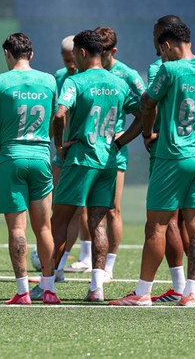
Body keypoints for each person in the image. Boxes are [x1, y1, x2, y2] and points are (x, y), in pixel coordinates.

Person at [110, 20, 195, 306]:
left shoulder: (169, 69)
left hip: (172, 156)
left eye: (159, 50)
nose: (160, 55)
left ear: (166, 46)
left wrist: (146, 133)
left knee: (156, 226)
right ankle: (189, 292)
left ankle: (142, 293)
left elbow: (147, 102)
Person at [50, 30, 141, 302]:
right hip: (108, 161)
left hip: (80, 158)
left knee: (60, 221)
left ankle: (47, 284)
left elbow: (60, 113)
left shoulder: (75, 81)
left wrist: (60, 143)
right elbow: (146, 113)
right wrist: (121, 141)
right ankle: (96, 287)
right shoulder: (119, 83)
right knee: (98, 223)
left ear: (80, 53)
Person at [0, 32, 58, 304]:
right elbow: (56, 117)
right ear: (31, 55)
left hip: (11, 159)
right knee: (44, 228)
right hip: (41, 157)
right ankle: (50, 290)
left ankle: (22, 292)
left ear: (7, 54)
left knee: (17, 230)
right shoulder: (49, 81)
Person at [94, 26, 146, 283]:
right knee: (85, 210)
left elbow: (147, 105)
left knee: (112, 209)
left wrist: (124, 137)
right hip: (87, 150)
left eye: (102, 52)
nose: (96, 56)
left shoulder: (127, 75)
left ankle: (108, 267)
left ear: (112, 51)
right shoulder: (88, 69)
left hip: (113, 152)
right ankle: (83, 261)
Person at [52, 34, 92, 275]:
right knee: (61, 204)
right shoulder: (60, 77)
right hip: (63, 148)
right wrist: (57, 142)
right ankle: (57, 261)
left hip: (82, 150)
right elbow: (57, 113)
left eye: (73, 60)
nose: (71, 66)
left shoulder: (86, 79)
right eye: (67, 61)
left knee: (83, 206)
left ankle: (86, 255)